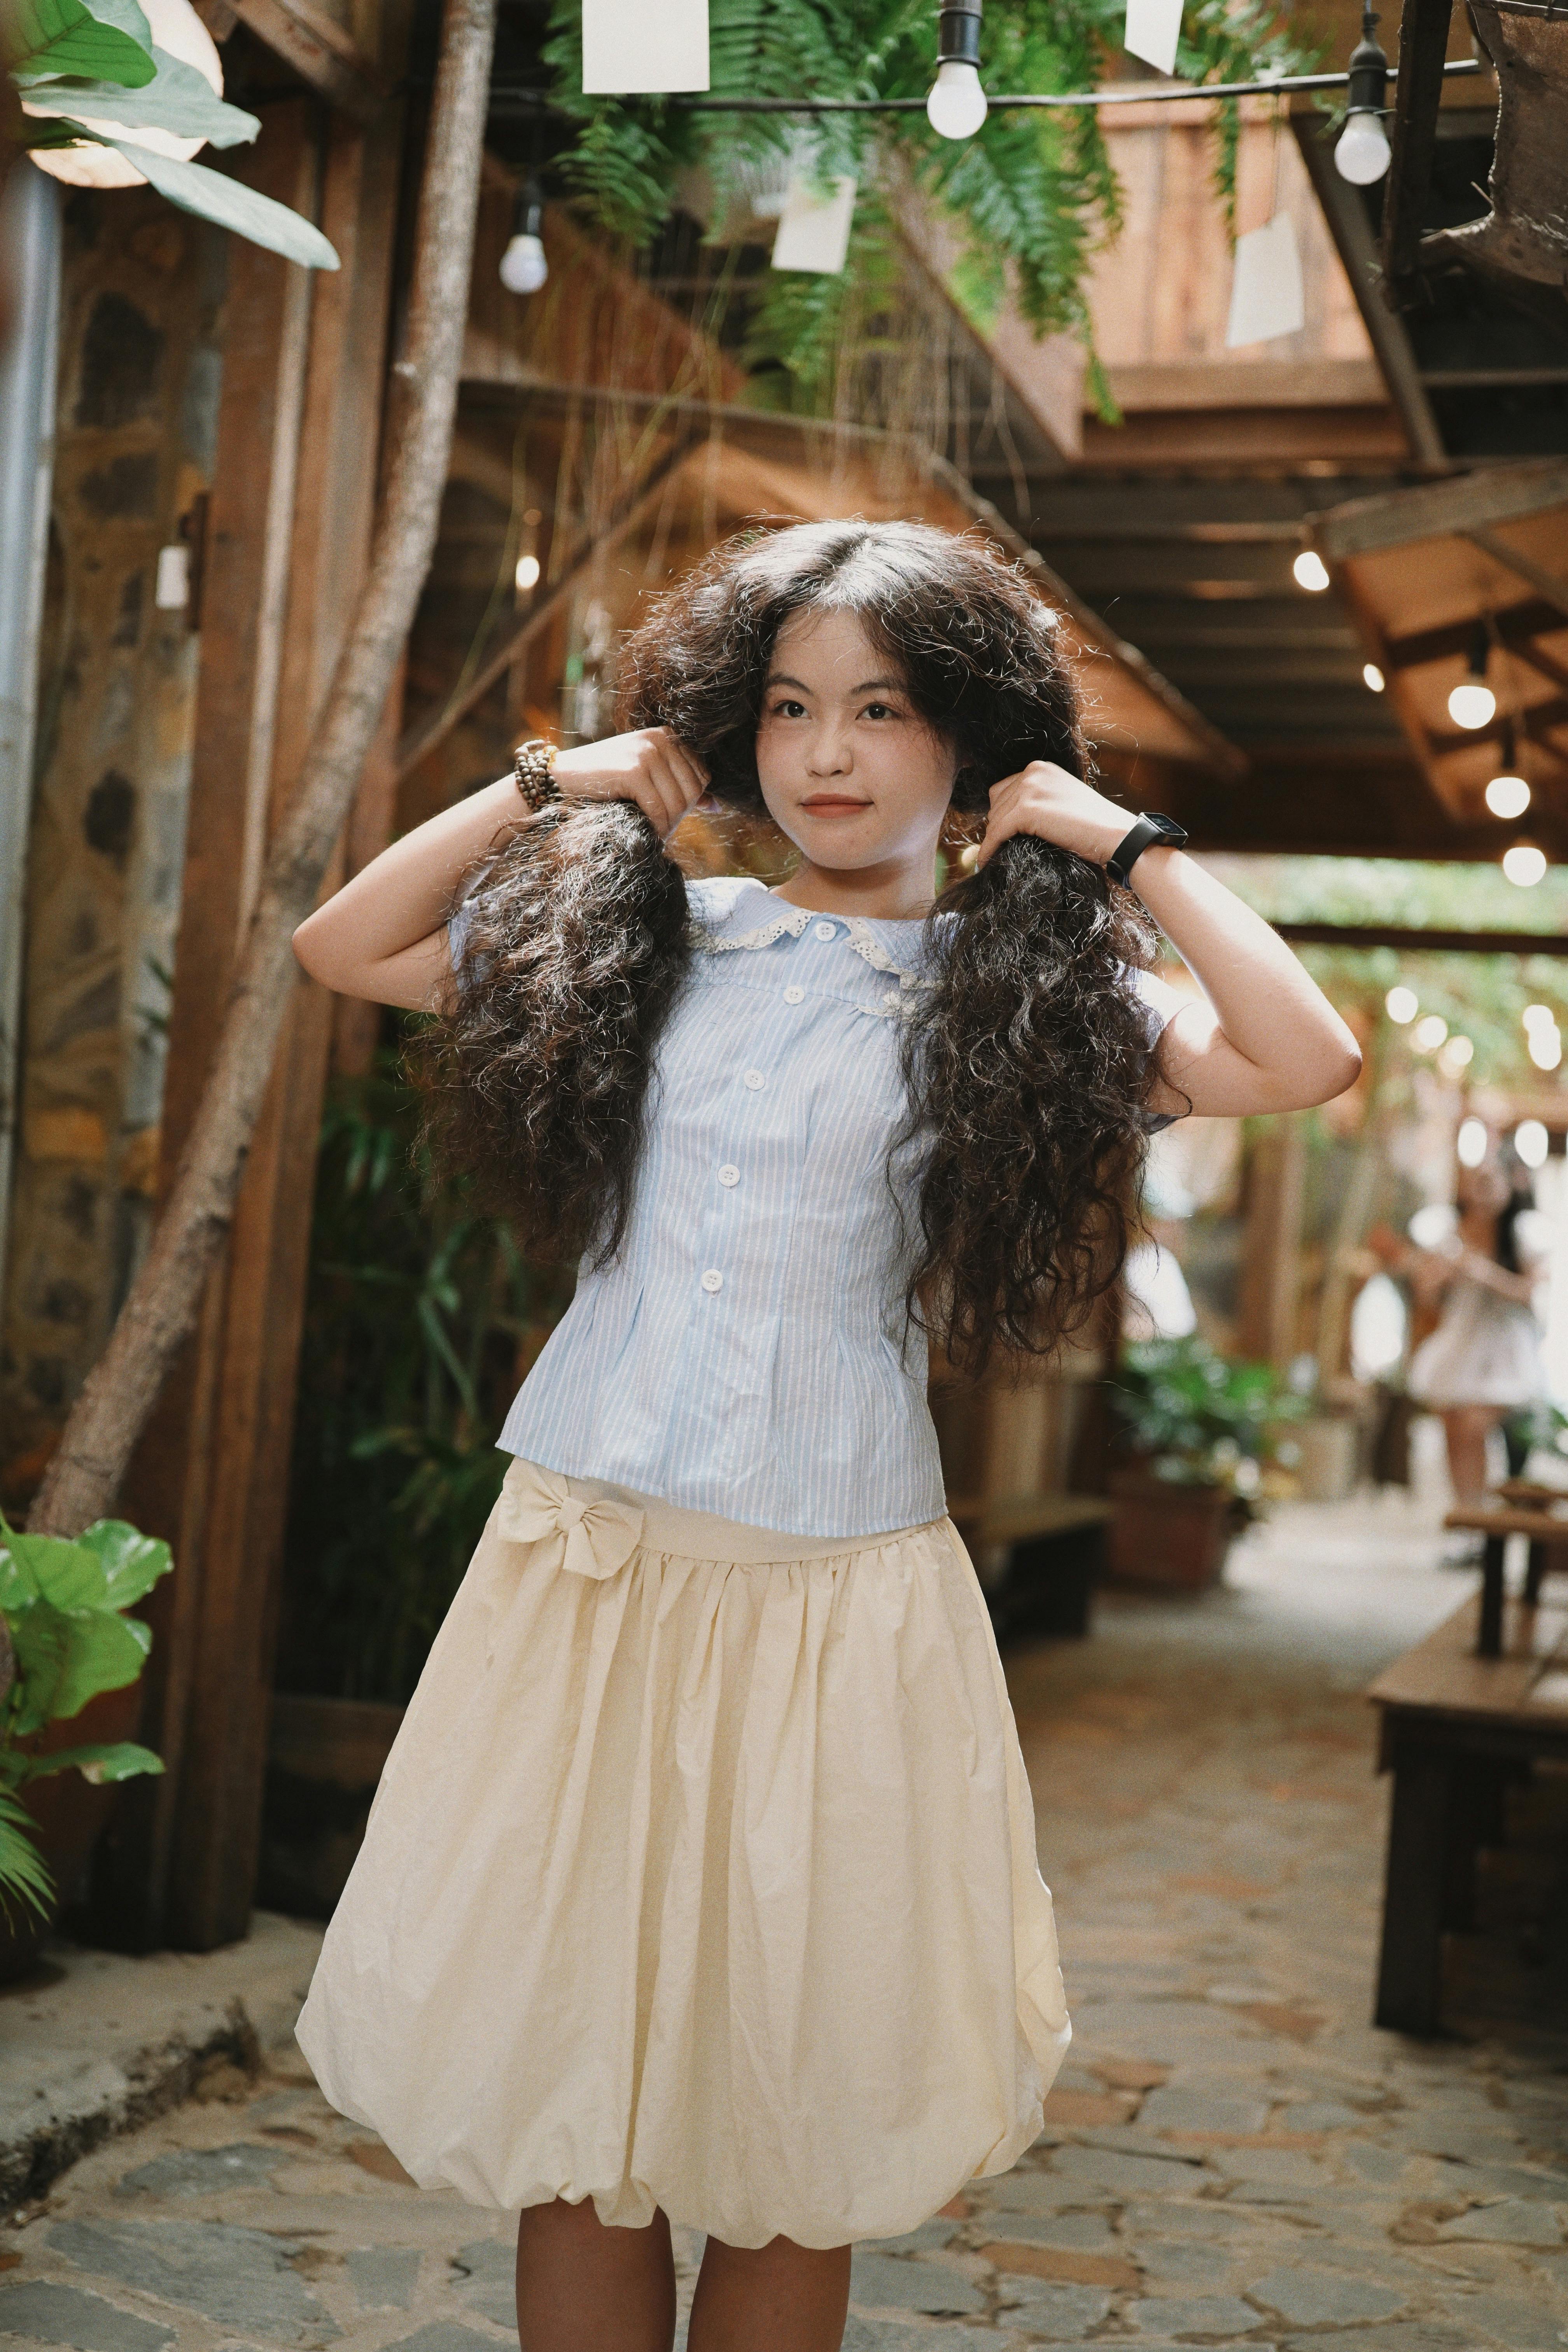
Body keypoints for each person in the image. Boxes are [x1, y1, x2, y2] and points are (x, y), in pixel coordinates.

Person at [289, 520, 1360, 2352]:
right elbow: (344, 942)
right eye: (789, 708)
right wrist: (559, 779)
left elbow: (1303, 1052)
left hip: (834, 1604)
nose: (828, 756)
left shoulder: (1010, 999)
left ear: (970, 742)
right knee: (580, 2109)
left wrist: (1116, 843)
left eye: (882, 708)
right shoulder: (644, 933)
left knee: (795, 2117)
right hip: (589, 1579)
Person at [1397, 1150, 1551, 1505]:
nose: (1482, 1191)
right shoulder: (1450, 1232)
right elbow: (1425, 1293)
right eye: (1476, 1182)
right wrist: (1443, 1273)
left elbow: (1529, 1292)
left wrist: (1482, 1272)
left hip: (1504, 1345)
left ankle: (1485, 1510)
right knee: (1453, 1427)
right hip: (1459, 1339)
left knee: (1472, 1423)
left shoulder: (1526, 1233)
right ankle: (1467, 1510)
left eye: (1490, 1182)